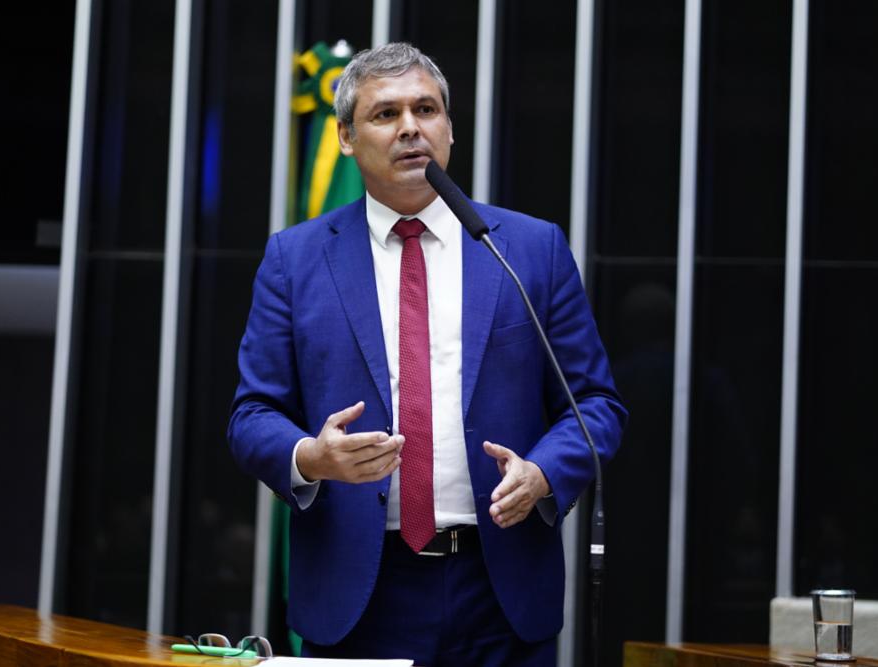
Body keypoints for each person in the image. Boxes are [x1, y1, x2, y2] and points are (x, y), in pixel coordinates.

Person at [228, 42, 626, 666]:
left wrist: (545, 470)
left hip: (501, 587)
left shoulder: (527, 250)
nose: (411, 126)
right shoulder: (295, 260)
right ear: (345, 138)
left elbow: (596, 405)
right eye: (386, 114)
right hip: (358, 590)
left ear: (449, 128)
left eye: (427, 109)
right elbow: (252, 415)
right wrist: (311, 456)